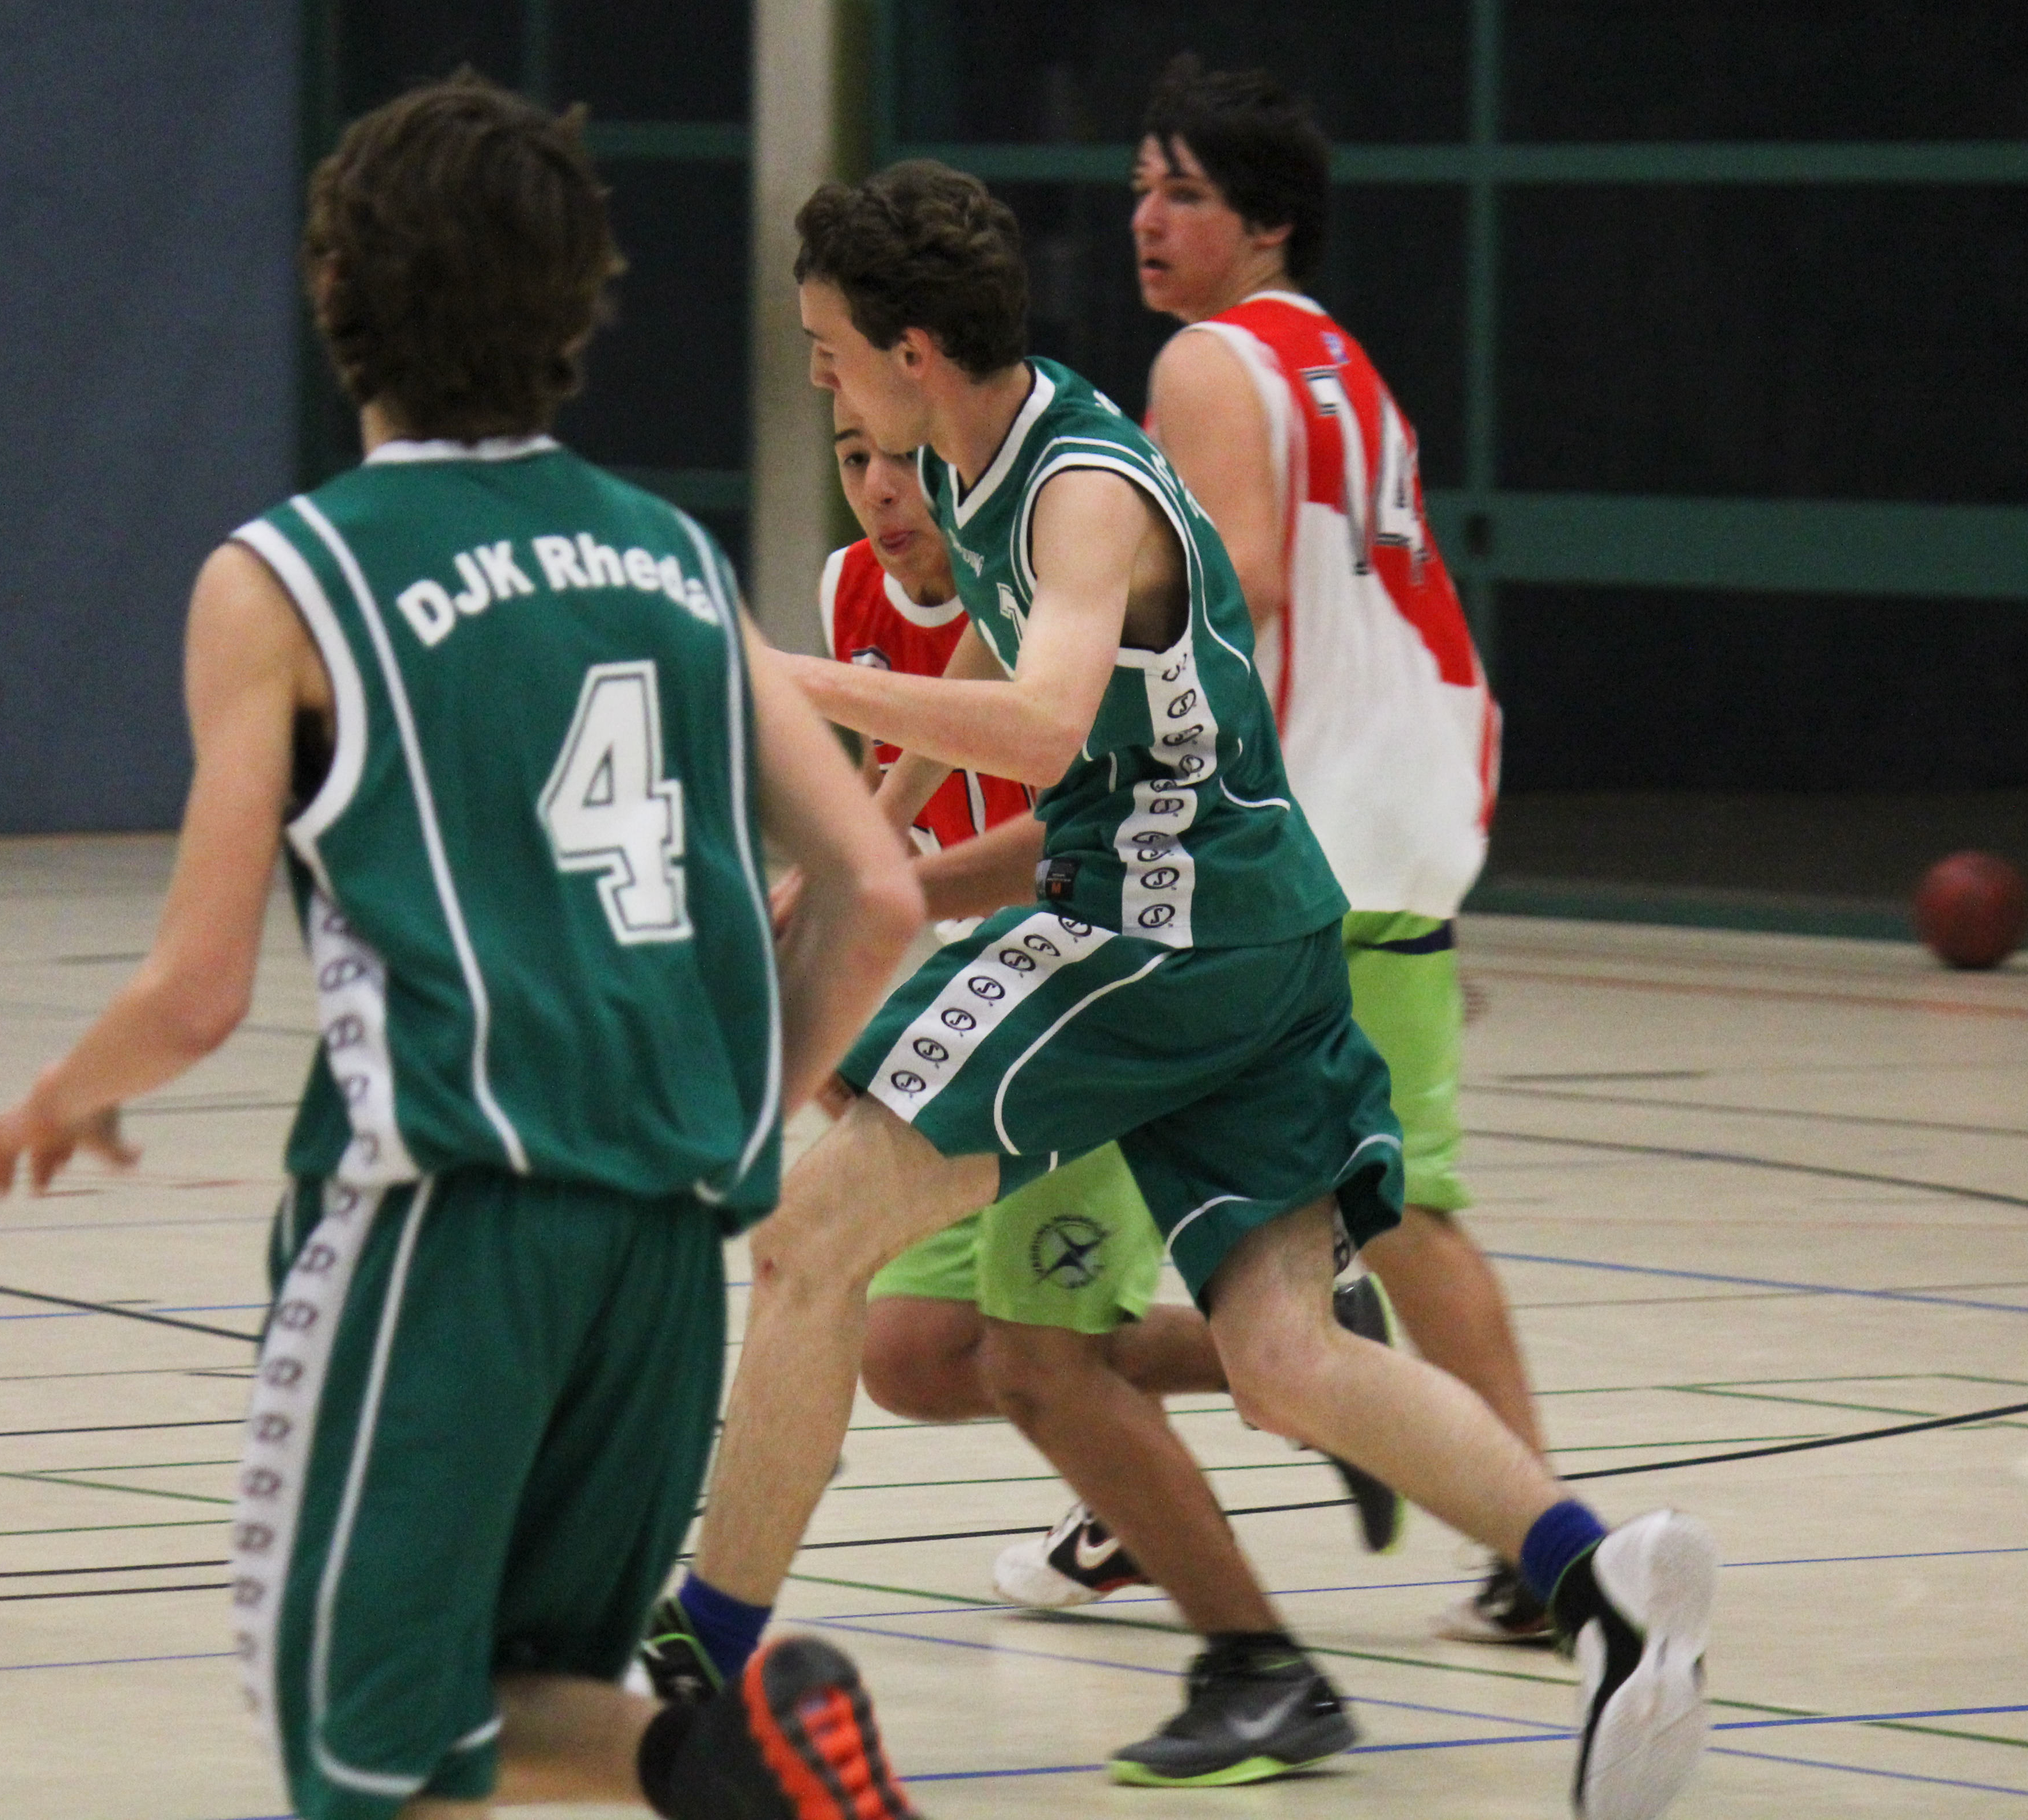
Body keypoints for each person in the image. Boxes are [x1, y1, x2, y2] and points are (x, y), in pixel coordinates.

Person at [645, 159, 1717, 1820]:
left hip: (1159, 931)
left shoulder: (1077, 491)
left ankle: (704, 1655)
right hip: (1256, 931)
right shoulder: (992, 459)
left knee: (810, 1238)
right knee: (1284, 1356)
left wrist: (780, 675)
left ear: (911, 351)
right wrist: (875, 835)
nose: (823, 386)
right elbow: (1035, 681)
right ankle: (1602, 1583)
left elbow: (1044, 726)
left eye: (829, 353)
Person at [0, 79, 928, 1820]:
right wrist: (726, 1112)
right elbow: (877, 895)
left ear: (337, 283)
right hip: (660, 1248)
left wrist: (65, 1091)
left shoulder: (284, 577)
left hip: (444, 1225)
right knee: (504, 1701)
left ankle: (734, 1754)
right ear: (576, 302)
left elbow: (196, 988)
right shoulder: (673, 559)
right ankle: (733, 1759)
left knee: (356, 1734)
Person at [755, 403, 1401, 1787]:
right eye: (854, 459)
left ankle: (1252, 1642)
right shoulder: (852, 591)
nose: (882, 489)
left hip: (1103, 982)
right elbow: (873, 813)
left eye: (903, 458)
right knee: (911, 1355)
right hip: (980, 995)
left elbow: (1082, 829)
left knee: (1036, 1360)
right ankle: (1293, 1370)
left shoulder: (1064, 560)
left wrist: (890, 881)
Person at [1127, 55, 1547, 1641]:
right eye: (1140, 189)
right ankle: (1119, 1497)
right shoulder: (1337, 363)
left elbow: (1237, 574)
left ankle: (1536, 1539)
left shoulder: (1206, 361)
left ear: (1266, 223)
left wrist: (1069, 627)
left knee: (1331, 1194)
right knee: (1365, 1192)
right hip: (1411, 800)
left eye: (1183, 194)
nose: (1148, 220)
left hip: (1302, 828)